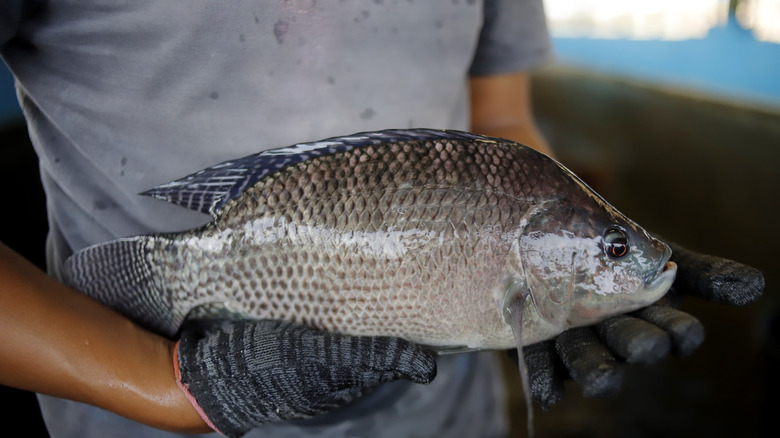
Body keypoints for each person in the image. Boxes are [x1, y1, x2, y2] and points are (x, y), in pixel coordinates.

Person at [0, 1, 763, 437]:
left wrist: (575, 279)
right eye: (612, 245)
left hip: (442, 415)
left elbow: (500, 119)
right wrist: (174, 384)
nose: (624, 254)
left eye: (610, 243)